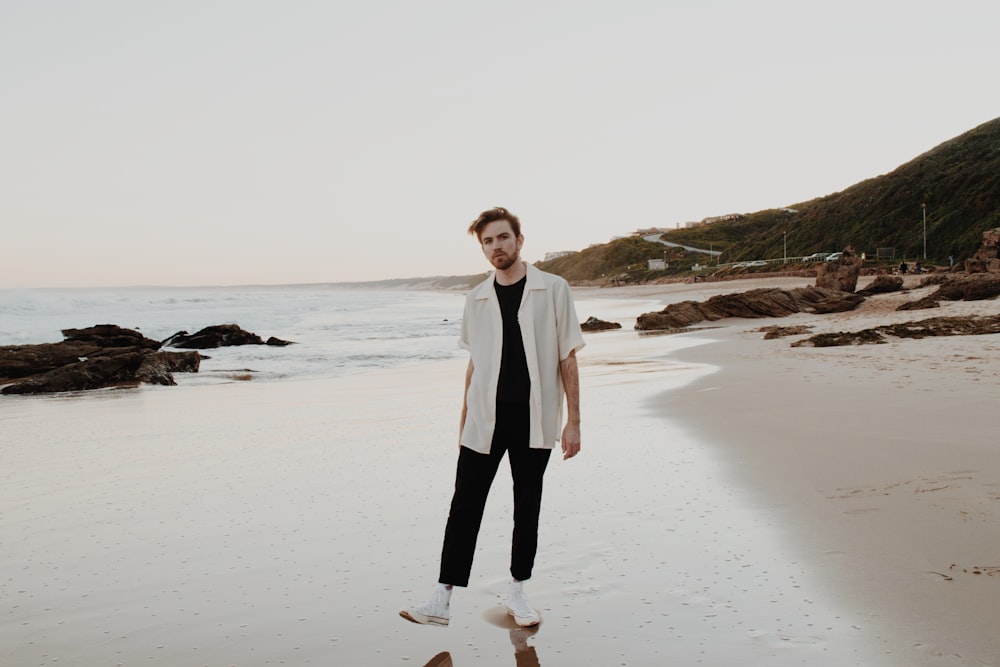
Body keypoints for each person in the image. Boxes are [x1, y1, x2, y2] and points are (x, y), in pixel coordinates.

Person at [400, 206, 585, 629]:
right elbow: (474, 364)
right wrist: (465, 417)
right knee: (464, 505)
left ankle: (518, 592)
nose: (496, 246)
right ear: (482, 248)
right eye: (487, 241)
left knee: (527, 505)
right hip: (485, 419)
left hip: (534, 419)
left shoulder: (553, 289)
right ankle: (441, 597)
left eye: (503, 237)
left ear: (519, 241)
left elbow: (567, 358)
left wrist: (573, 422)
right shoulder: (476, 298)